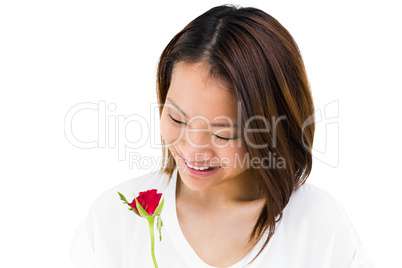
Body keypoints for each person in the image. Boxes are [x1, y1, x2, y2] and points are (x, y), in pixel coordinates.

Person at [70, 4, 374, 268]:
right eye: (176, 117)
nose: (193, 148)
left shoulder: (320, 227)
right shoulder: (115, 219)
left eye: (223, 134)